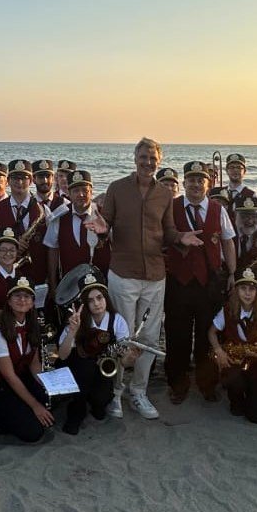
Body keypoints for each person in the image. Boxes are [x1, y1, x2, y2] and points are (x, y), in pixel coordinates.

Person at [87, 138, 203, 420]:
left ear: (159, 161)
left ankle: (138, 391)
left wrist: (181, 238)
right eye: (143, 157)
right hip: (123, 274)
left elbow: (168, 231)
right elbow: (105, 223)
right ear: (135, 158)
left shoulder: (164, 194)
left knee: (149, 338)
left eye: (153, 158)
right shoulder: (117, 188)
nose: (148, 162)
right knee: (123, 336)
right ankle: (116, 392)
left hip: (154, 275)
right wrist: (102, 228)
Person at [164, 161, 237, 404]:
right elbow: (160, 237)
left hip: (208, 284)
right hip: (178, 281)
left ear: (208, 183)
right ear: (183, 183)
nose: (196, 184)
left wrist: (232, 273)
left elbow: (228, 241)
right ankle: (178, 383)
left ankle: (207, 383)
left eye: (200, 180)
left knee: (207, 334)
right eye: (191, 180)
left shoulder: (218, 209)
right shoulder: (171, 207)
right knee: (177, 335)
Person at [57, 273, 133, 435]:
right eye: (90, 300)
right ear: (84, 303)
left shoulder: (117, 320)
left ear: (106, 298)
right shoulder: (77, 320)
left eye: (99, 298)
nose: (96, 304)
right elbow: (62, 355)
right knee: (80, 391)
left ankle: (95, 401)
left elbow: (124, 361)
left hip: (101, 370)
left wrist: (130, 357)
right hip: (79, 369)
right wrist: (72, 332)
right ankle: (77, 409)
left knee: (101, 403)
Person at [0, 277, 54, 443]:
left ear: (32, 303)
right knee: (33, 432)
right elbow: (9, 376)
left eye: (27, 296)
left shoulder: (33, 324)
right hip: (2, 386)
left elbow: (34, 363)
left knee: (49, 398)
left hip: (21, 378)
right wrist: (35, 405)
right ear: (9, 301)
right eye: (17, 295)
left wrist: (46, 386)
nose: (22, 300)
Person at [209, 268, 257, 423]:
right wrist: (218, 350)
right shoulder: (226, 311)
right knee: (238, 405)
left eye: (251, 289)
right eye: (243, 288)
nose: (247, 293)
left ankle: (255, 395)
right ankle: (237, 399)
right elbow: (211, 332)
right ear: (236, 291)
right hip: (235, 361)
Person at [45, 170, 111, 292]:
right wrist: (53, 285)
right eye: (76, 191)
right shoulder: (59, 217)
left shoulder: (105, 215)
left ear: (91, 191)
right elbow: (53, 251)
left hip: (101, 285)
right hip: (69, 286)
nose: (81, 194)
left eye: (85, 190)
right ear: (69, 193)